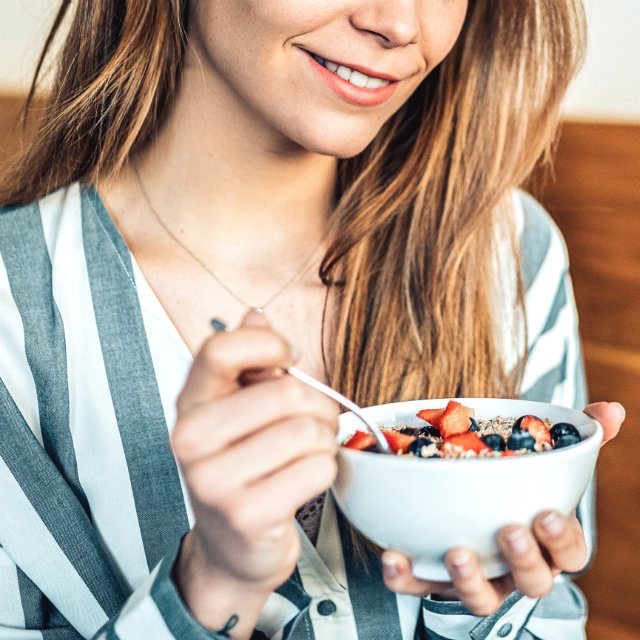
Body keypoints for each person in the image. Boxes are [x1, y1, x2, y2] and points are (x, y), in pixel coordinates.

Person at [0, 1, 626, 638]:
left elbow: (551, 620)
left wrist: (476, 604)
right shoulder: (12, 317)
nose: (401, 25)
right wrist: (212, 583)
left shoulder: (506, 254)